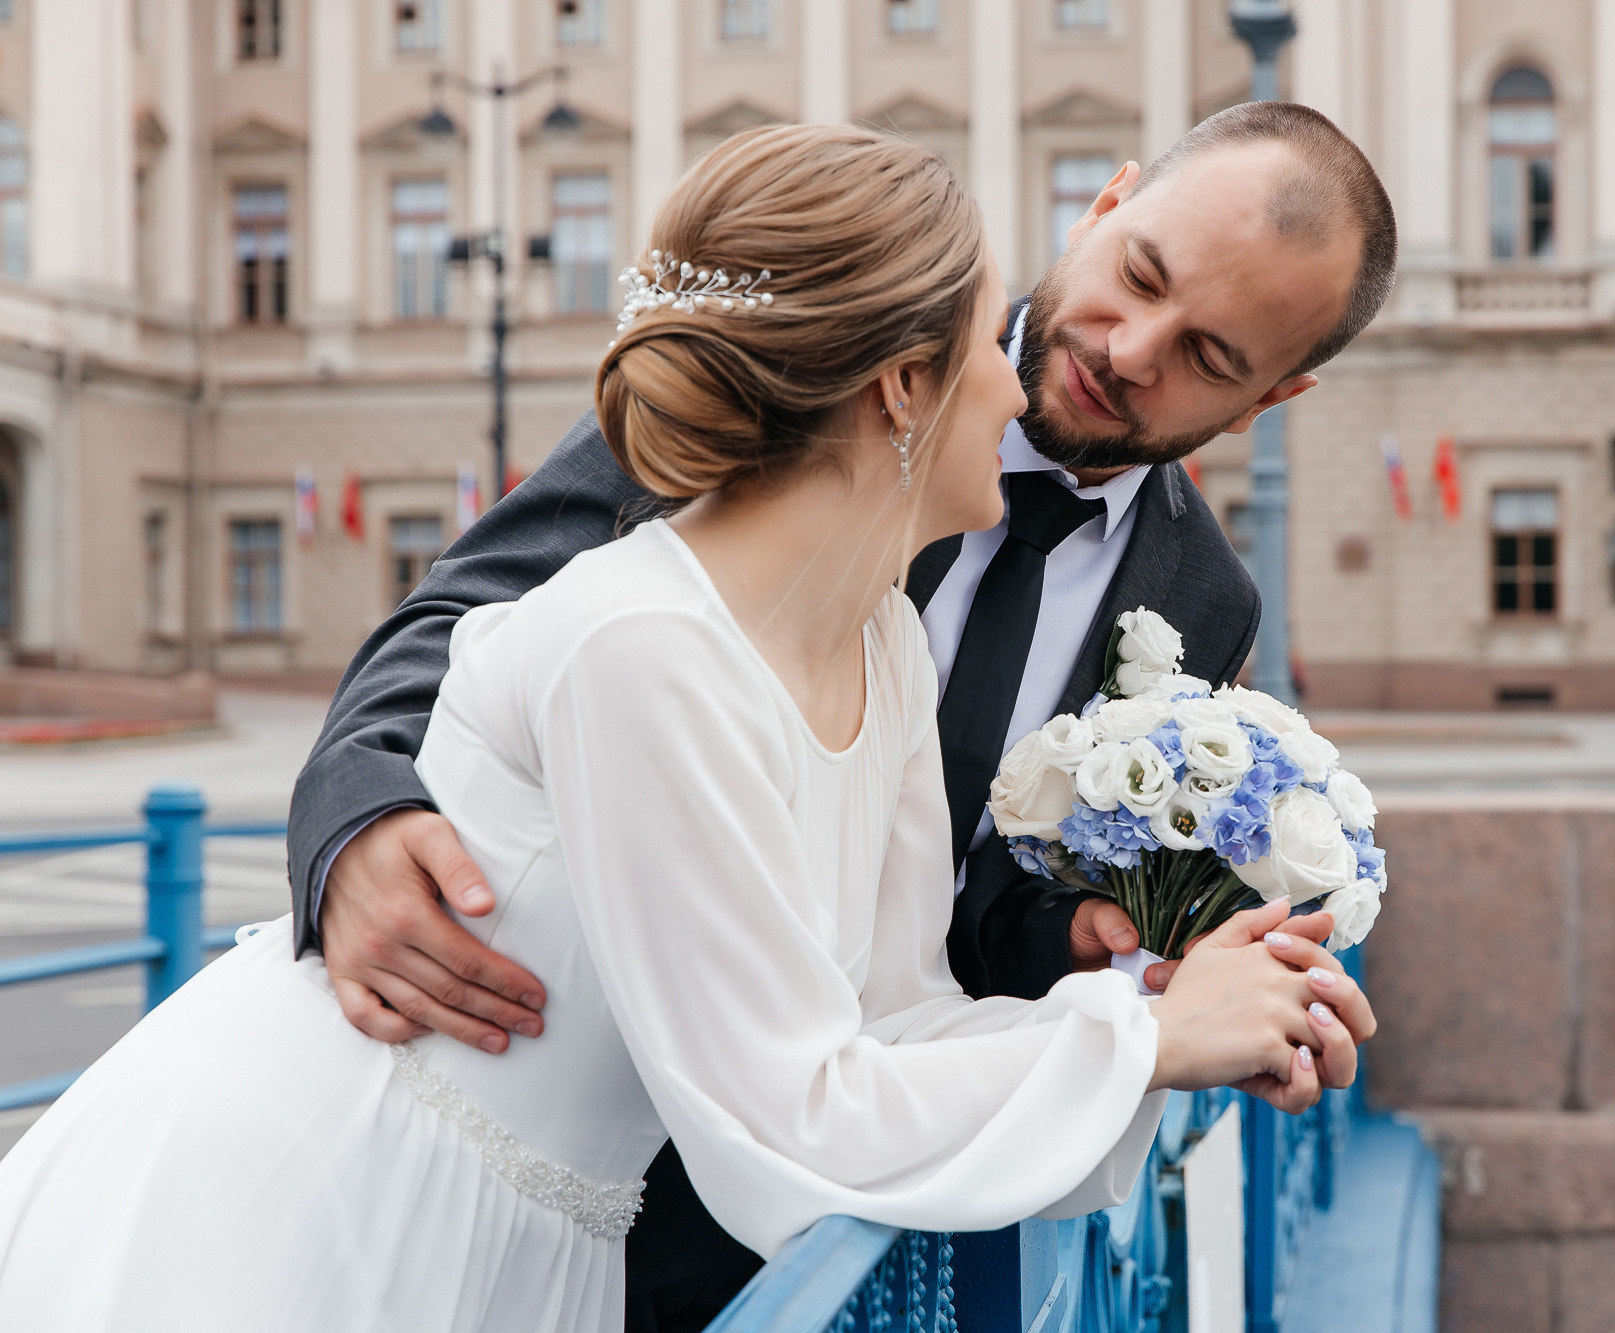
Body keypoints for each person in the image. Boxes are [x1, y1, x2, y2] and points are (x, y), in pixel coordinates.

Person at [0, 125, 1375, 1332]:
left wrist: (1142, 980)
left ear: (1273, 399)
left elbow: (919, 973)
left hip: (661, 1217)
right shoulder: (787, 388)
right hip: (343, 1190)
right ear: (1107, 208)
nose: (1105, 358)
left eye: (1205, 355)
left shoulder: (1145, 603)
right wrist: (361, 819)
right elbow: (469, 618)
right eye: (1139, 277)